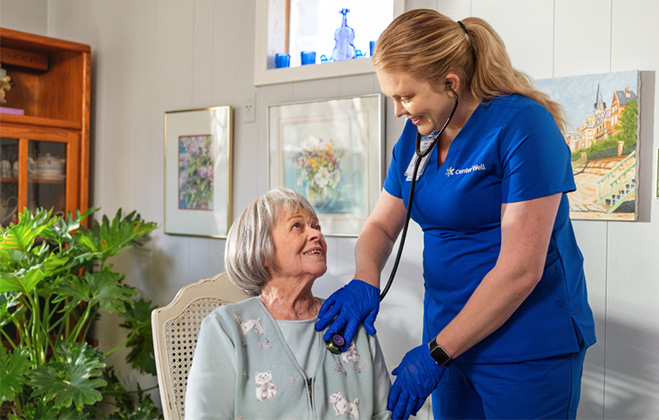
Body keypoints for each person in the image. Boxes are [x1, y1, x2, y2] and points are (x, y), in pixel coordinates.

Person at [315, 9, 596, 420]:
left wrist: (436, 353)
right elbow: (379, 225)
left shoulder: (523, 126)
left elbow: (521, 269)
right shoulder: (416, 136)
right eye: (392, 97)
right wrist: (365, 278)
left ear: (451, 82)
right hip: (447, 344)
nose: (397, 111)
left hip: (525, 345)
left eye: (405, 96)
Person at [185, 187, 391, 419]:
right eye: (297, 226)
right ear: (262, 250)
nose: (316, 235)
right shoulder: (226, 328)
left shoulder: (349, 319)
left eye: (316, 226)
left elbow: (384, 414)